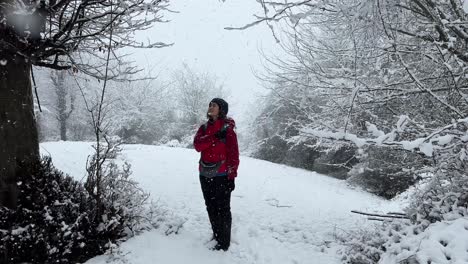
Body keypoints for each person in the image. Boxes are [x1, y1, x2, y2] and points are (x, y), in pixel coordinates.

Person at [193, 98, 239, 251]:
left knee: (223, 209)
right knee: (210, 206)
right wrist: (214, 138)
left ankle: (224, 242)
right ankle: (216, 234)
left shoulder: (228, 130)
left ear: (222, 110)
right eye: (210, 105)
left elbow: (233, 155)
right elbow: (198, 146)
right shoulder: (204, 128)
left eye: (214, 105)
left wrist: (231, 177)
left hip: (222, 175)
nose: (210, 107)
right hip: (204, 174)